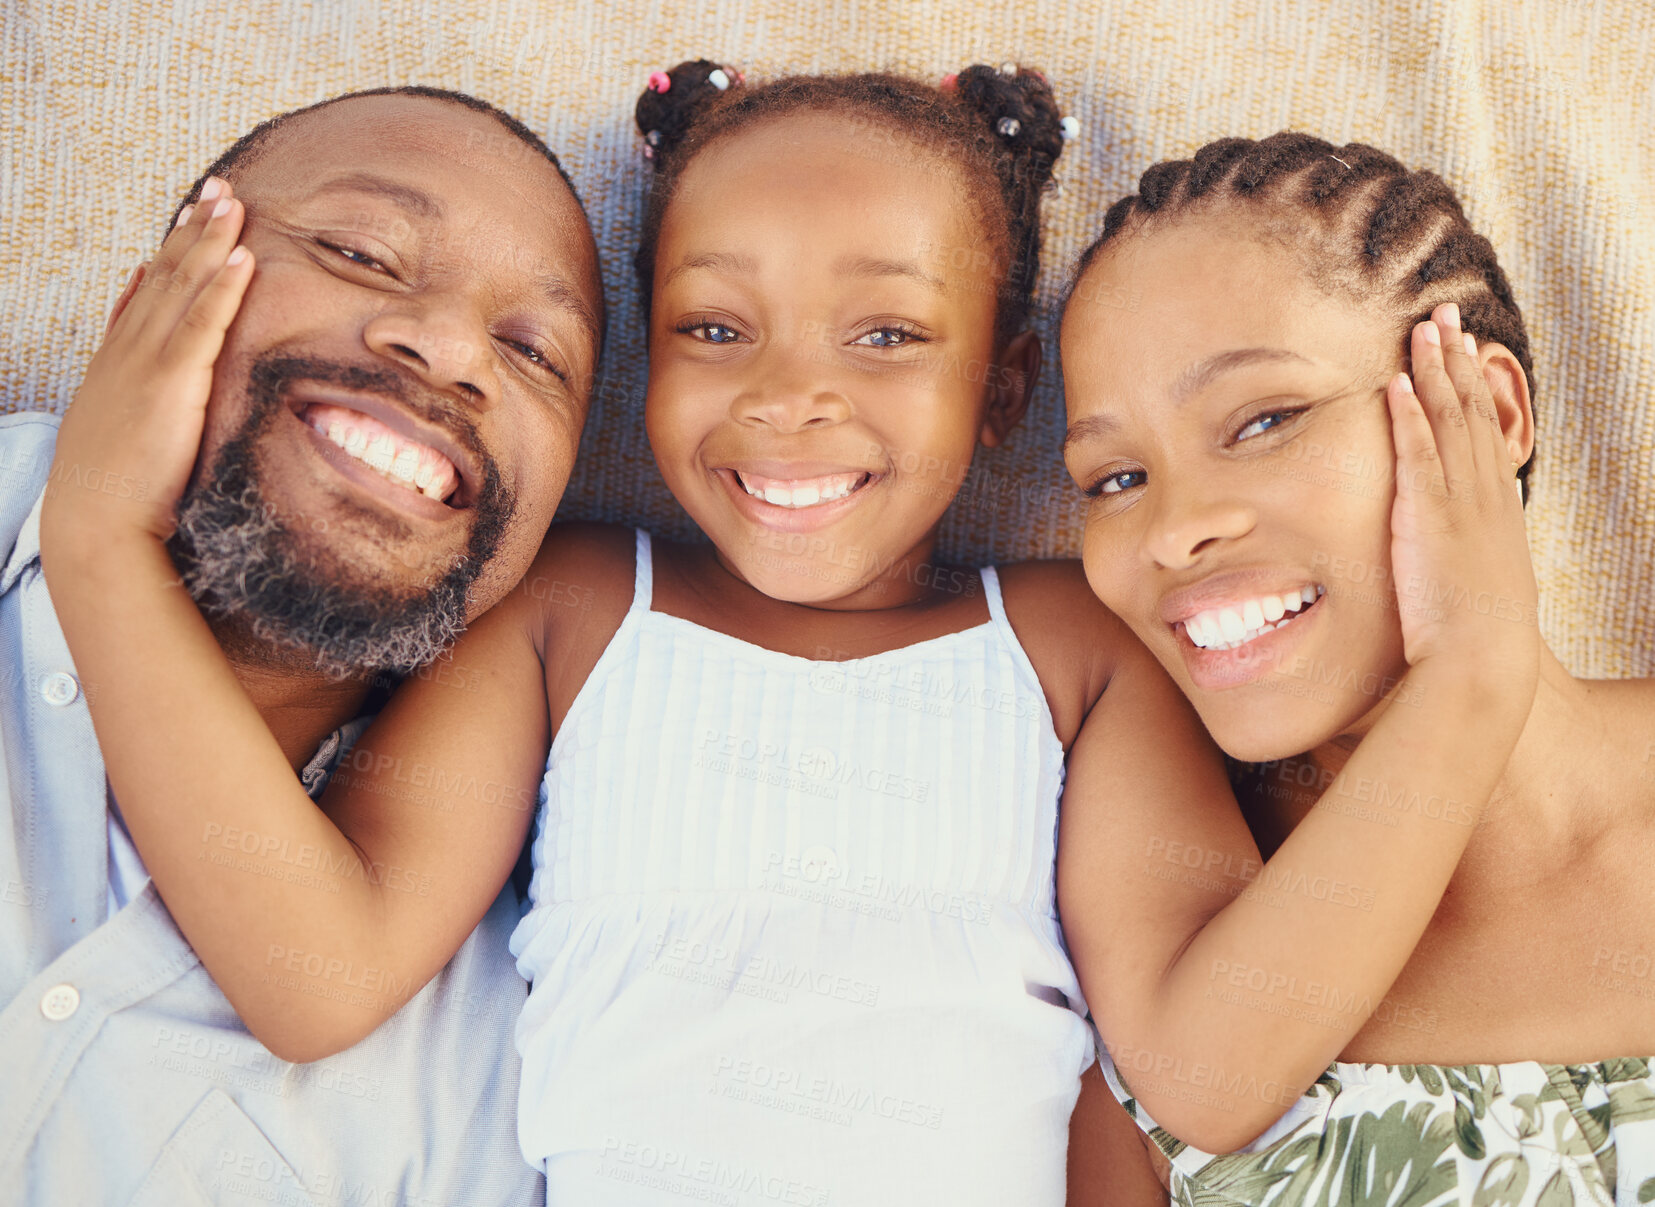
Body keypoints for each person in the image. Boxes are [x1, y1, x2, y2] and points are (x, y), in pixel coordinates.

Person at [41, 61, 1181, 1204]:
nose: (789, 395)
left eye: (885, 333)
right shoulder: (569, 608)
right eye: (716, 325)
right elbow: (316, 974)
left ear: (1004, 390)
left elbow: (1131, 1067)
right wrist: (105, 542)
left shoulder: (1075, 640)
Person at [6, 85, 603, 1204]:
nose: (446, 347)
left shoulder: (526, 1058)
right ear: (151, 301)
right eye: (361, 252)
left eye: (533, 351)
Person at [1058, 131, 1655, 1201]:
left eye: (1263, 419)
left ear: (1492, 410)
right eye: (1112, 478)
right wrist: (1469, 671)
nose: (1171, 529)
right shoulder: (1162, 994)